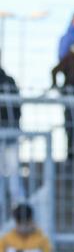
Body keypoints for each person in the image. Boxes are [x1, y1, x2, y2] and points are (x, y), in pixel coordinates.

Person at [0, 63, 23, 208]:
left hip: (8, 132)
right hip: (11, 130)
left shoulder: (8, 81)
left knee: (12, 171)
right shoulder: (9, 80)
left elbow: (17, 108)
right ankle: (18, 206)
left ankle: (16, 206)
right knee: (13, 172)